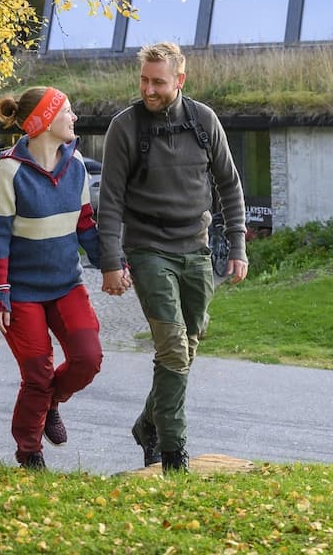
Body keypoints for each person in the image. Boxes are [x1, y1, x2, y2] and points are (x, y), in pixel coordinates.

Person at [97, 41, 248, 474]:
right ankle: (172, 451)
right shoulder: (125, 127)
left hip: (195, 247)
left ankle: (148, 423)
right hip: (148, 250)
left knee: (187, 345)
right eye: (144, 80)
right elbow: (110, 200)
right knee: (174, 348)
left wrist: (237, 244)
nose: (149, 89)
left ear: (179, 80)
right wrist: (111, 261)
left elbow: (230, 185)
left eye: (158, 82)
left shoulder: (204, 121)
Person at [0, 85, 116, 471]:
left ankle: (51, 401)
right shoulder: (9, 172)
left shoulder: (76, 167)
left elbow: (85, 226)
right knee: (37, 374)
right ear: (44, 121)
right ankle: (29, 452)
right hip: (22, 293)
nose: (74, 117)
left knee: (88, 359)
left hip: (66, 286)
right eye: (67, 111)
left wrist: (111, 264)